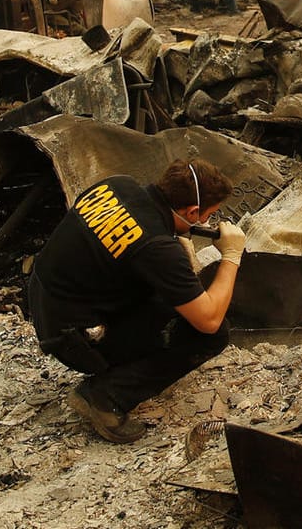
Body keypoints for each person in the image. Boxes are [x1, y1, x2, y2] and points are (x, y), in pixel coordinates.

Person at [27, 160, 246, 444]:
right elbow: (209, 319)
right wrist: (231, 257)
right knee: (212, 334)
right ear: (192, 211)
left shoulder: (118, 184)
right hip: (73, 339)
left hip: (46, 300)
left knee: (174, 296)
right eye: (208, 216)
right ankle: (106, 396)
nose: (206, 224)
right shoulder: (158, 249)